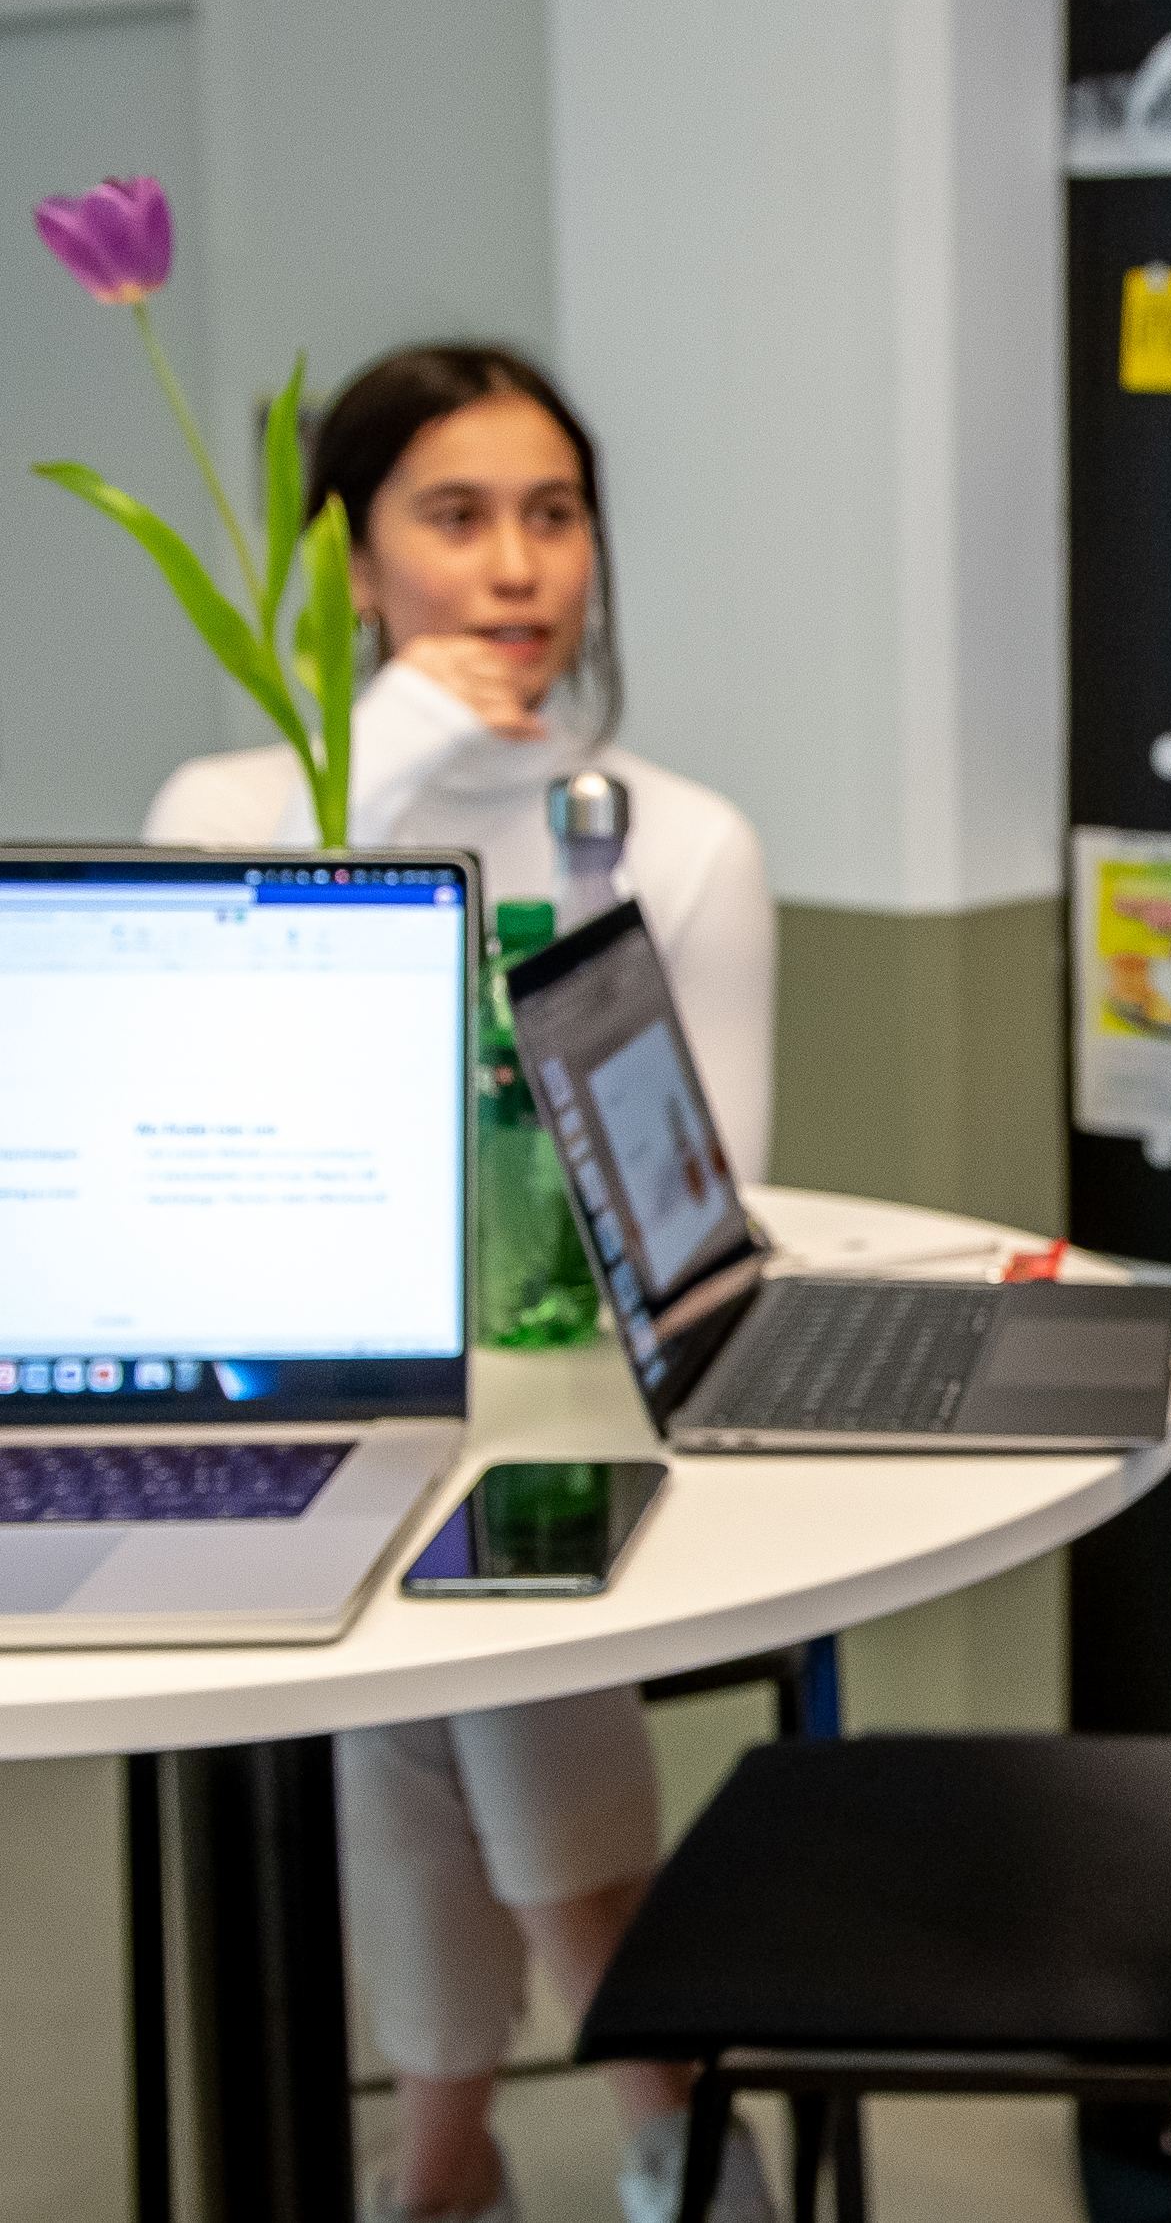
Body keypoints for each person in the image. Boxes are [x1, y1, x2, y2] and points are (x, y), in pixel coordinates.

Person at [147, 345, 778, 2223]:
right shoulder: (226, 806)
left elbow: (689, 1208)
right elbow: (226, 1176)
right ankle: (655, 2105)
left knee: (464, 1592)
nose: (518, 568)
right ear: (348, 562)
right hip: (329, 1411)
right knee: (423, 1601)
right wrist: (386, 773)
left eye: (555, 515)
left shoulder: (678, 836)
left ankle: (445, 2166)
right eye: (457, 516)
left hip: (588, 1439)